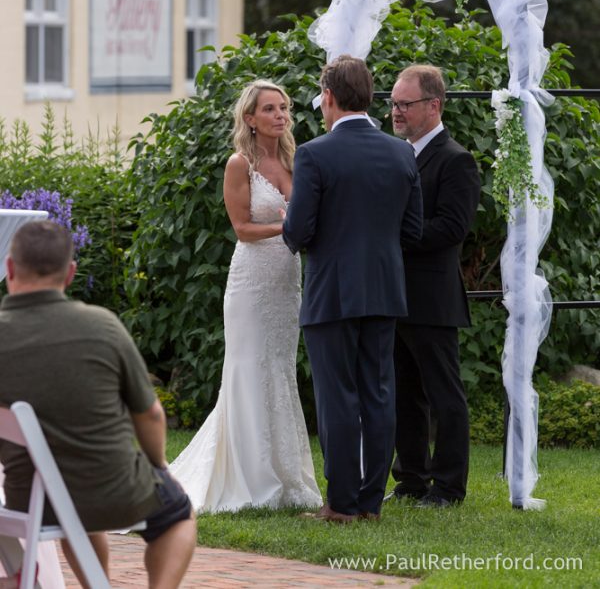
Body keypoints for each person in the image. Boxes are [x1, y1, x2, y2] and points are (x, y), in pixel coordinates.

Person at [0, 220, 196, 589]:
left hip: (30, 499)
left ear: (9, 267)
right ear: (71, 273)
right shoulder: (101, 326)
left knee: (72, 503)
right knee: (179, 513)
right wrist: (158, 466)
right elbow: (151, 413)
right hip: (113, 490)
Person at [282, 55, 423, 522]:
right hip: (384, 290)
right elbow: (412, 230)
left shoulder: (314, 153)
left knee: (337, 396)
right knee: (379, 393)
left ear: (328, 97)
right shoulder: (402, 152)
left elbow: (297, 231)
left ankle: (341, 503)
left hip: (331, 293)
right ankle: (370, 503)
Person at [170, 80, 321, 512]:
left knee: (279, 369)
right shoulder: (240, 164)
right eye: (270, 109)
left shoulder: (297, 162)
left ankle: (286, 476)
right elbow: (241, 228)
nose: (280, 115)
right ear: (250, 119)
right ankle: (251, 478)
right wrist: (287, 228)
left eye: (284, 108)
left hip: (286, 280)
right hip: (252, 281)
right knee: (250, 369)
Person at [389, 64, 481, 507]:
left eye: (404, 104)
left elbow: (451, 228)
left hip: (432, 297)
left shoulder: (455, 159)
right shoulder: (397, 153)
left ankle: (448, 487)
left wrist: (391, 235)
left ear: (433, 105)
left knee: (444, 396)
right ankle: (411, 479)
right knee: (404, 393)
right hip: (395, 295)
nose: (396, 111)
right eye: (392, 103)